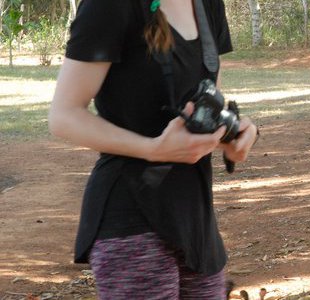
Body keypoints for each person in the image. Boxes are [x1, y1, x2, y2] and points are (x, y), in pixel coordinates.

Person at [48, 0, 258, 298]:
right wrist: (152, 148)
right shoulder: (108, 6)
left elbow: (206, 101)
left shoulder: (208, 4)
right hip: (131, 219)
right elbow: (63, 116)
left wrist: (233, 133)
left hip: (195, 224)